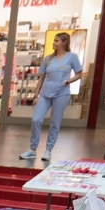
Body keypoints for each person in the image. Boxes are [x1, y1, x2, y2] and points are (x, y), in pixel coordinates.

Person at [20, 33, 84, 161]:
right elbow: (41, 78)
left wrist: (67, 82)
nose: (53, 43)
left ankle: (48, 150)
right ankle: (32, 149)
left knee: (55, 122)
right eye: (54, 40)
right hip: (45, 93)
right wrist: (36, 95)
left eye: (57, 41)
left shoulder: (72, 57)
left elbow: (79, 74)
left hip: (61, 93)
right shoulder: (48, 59)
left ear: (64, 42)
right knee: (36, 119)